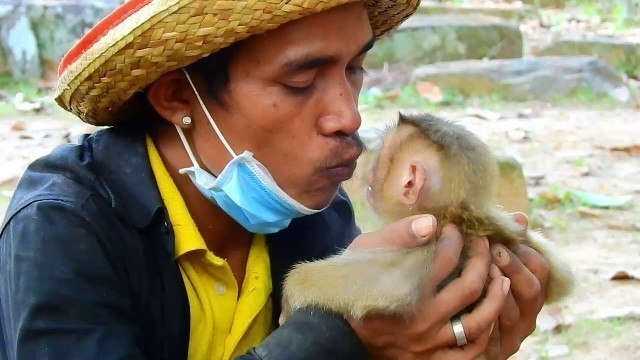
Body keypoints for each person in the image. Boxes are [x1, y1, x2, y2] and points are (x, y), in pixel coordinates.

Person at [0, 1, 550, 359]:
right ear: (177, 97)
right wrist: (337, 339)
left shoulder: (316, 213)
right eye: (302, 79)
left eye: (353, 69)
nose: (348, 116)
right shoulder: (65, 227)